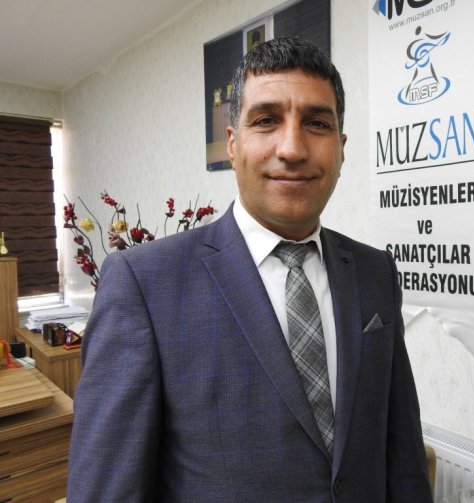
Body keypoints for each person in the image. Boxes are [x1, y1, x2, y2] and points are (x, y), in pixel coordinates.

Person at [67, 37, 432, 502]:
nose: (293, 148)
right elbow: (107, 489)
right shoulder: (144, 284)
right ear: (233, 144)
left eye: (317, 123)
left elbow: (402, 451)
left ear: (341, 149)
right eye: (266, 121)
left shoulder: (375, 272)